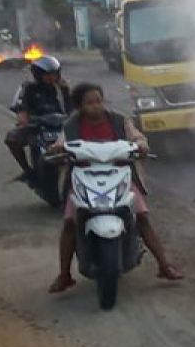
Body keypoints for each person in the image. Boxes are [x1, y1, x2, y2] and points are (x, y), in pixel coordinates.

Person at [48, 82, 183, 293]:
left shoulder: (120, 120)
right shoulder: (72, 125)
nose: (96, 106)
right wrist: (58, 147)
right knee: (69, 224)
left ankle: (164, 265)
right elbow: (62, 141)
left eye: (99, 101)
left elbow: (136, 136)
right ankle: (64, 274)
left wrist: (141, 144)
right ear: (80, 106)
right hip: (84, 177)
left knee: (142, 218)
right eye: (90, 103)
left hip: (119, 175)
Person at [5, 56, 71, 183]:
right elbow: (20, 107)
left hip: (63, 127)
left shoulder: (63, 88)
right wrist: (24, 120)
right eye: (47, 75)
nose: (52, 77)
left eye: (54, 74)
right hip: (37, 127)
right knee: (12, 139)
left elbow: (74, 108)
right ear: (38, 74)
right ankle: (28, 171)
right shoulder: (28, 88)